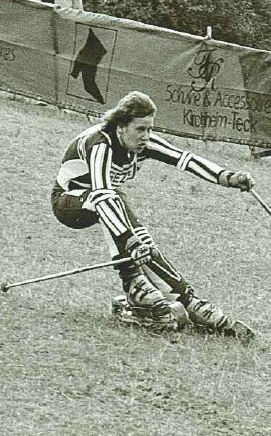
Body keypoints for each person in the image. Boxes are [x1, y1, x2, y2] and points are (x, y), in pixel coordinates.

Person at [51, 91, 255, 336]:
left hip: (108, 203)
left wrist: (226, 177)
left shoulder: (143, 143)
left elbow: (185, 159)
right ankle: (132, 281)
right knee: (114, 206)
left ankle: (186, 299)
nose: (145, 136)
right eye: (140, 129)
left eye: (149, 129)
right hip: (68, 203)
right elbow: (102, 193)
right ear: (121, 127)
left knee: (143, 240)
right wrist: (129, 241)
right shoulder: (100, 144)